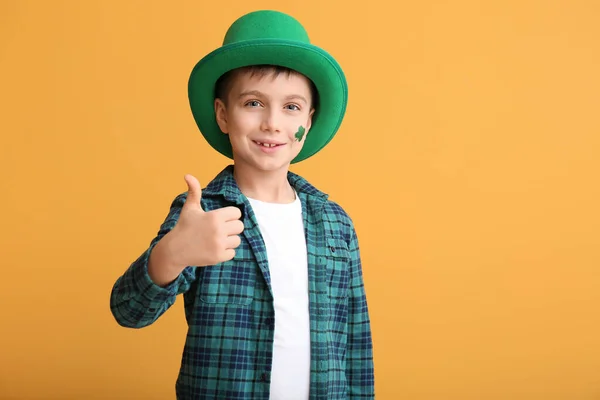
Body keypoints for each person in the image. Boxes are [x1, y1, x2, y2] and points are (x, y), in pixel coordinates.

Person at [110, 9, 374, 400]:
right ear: (223, 114)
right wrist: (173, 253)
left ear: (309, 120)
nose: (272, 123)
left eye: (291, 107)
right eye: (253, 103)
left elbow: (356, 343)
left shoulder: (335, 224)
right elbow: (129, 311)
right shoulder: (200, 214)